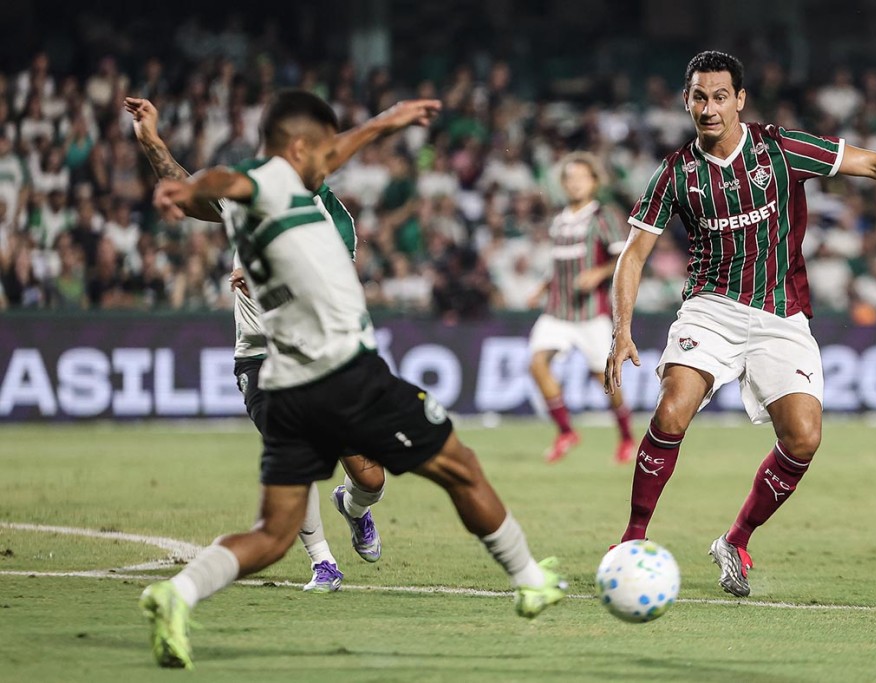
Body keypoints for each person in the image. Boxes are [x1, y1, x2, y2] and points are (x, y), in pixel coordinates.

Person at [140, 90, 565, 669]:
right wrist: (197, 183)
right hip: (341, 372)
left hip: (285, 385)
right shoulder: (268, 182)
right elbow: (226, 179)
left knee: (272, 534)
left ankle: (179, 593)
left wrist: (165, 160)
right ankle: (530, 580)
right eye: (321, 149)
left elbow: (222, 184)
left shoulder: (258, 199)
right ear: (297, 148)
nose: (332, 158)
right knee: (460, 466)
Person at [604, 51, 876, 598]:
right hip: (710, 309)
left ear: (740, 100)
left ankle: (735, 541)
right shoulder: (676, 172)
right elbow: (632, 254)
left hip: (780, 315)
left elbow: (873, 164)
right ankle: (631, 540)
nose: (710, 108)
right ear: (686, 101)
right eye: (699, 97)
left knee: (804, 438)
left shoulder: (780, 149)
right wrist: (621, 330)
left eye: (720, 96)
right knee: (672, 410)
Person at [126, 95, 399, 592]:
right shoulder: (248, 193)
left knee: (371, 478)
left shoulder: (334, 221)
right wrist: (152, 140)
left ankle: (353, 507)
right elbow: (187, 193)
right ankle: (323, 562)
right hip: (260, 357)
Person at [525, 152, 635, 463]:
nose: (575, 183)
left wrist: (598, 273)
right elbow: (559, 265)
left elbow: (623, 257)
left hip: (591, 313)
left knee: (604, 379)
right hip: (557, 311)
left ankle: (627, 437)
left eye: (582, 177)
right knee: (537, 364)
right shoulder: (559, 220)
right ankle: (565, 431)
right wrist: (541, 289)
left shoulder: (604, 216)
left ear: (595, 182)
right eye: (569, 178)